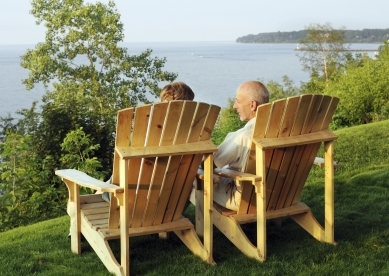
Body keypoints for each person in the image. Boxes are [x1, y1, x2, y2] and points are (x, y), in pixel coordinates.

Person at [100, 81, 195, 203]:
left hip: (137, 197)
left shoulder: (152, 125)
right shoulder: (196, 130)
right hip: (174, 201)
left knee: (107, 187)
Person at [198, 80, 269, 211]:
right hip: (277, 195)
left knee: (195, 177)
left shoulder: (244, 135)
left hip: (245, 199)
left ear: (252, 105)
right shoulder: (280, 130)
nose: (234, 106)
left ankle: (200, 229)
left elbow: (209, 164)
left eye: (238, 101)